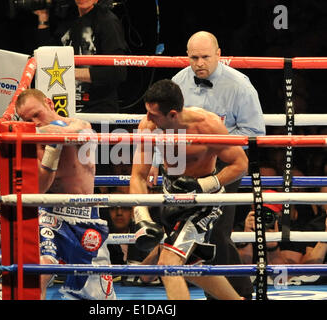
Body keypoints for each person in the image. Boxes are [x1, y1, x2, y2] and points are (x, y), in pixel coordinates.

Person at [148, 31, 265, 299]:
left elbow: (254, 132)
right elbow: (160, 125)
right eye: (194, 57)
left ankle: (239, 292)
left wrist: (215, 143)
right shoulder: (178, 82)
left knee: (218, 235)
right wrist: (155, 161)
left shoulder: (240, 85)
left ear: (219, 54)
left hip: (226, 166)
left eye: (205, 57)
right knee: (189, 247)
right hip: (180, 172)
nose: (199, 63)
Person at [129, 79, 248, 300]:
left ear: (172, 114)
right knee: (193, 264)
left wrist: (203, 186)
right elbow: (138, 175)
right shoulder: (149, 127)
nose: (147, 119)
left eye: (153, 114)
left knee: (169, 264)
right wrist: (142, 215)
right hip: (171, 194)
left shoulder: (207, 126)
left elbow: (240, 164)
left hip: (203, 200)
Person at [15, 88, 116, 300]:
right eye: (27, 120)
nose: (35, 122)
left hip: (86, 218)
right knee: (38, 272)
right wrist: (51, 150)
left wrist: (48, 133)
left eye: (37, 115)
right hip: (50, 214)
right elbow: (40, 190)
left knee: (100, 299)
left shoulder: (80, 126)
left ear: (49, 104)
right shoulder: (33, 144)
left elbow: (76, 131)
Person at [34, 0, 128, 114]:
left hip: (97, 109)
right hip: (66, 106)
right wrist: (42, 20)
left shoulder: (108, 21)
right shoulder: (68, 20)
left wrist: (68, 73)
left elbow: (118, 71)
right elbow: (48, 55)